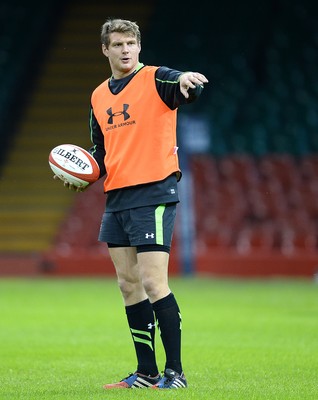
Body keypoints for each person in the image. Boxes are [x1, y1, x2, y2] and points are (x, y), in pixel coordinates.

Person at [56, 18, 208, 389]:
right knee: (128, 285)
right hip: (118, 196)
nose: (125, 50)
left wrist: (188, 80)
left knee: (154, 282)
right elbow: (100, 153)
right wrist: (84, 174)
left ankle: (176, 373)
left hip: (154, 191)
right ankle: (146, 373)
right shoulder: (97, 96)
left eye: (131, 43)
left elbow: (182, 85)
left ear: (139, 46)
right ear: (105, 50)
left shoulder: (157, 78)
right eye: (118, 44)